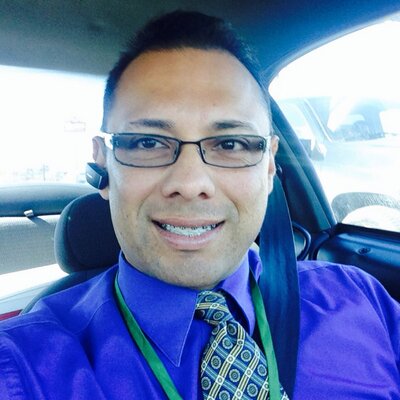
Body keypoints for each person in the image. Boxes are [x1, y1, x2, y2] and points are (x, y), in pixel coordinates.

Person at [0, 10, 399, 400]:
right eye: (147, 143)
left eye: (231, 144)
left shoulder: (360, 299)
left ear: (269, 167)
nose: (190, 184)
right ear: (103, 164)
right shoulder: (23, 367)